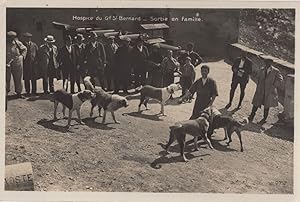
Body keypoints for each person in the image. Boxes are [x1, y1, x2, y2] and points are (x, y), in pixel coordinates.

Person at [248, 58, 283, 124]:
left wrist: (273, 85)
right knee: (255, 104)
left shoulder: (275, 71)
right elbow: (257, 77)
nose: (267, 64)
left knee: (266, 106)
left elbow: (280, 79)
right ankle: (251, 116)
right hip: (260, 90)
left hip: (268, 91)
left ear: (271, 63)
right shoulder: (262, 69)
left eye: (268, 63)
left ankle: (264, 119)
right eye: (266, 62)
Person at [6, 31, 27, 99]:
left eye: (12, 37)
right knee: (6, 78)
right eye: (9, 37)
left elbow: (24, 49)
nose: (11, 39)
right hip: (7, 62)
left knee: (18, 78)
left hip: (17, 62)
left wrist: (22, 56)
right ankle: (6, 92)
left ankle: (19, 93)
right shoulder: (3, 42)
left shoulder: (17, 43)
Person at [22, 32, 39, 96]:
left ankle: (34, 91)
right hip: (25, 64)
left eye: (29, 37)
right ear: (24, 38)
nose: (28, 39)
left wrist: (36, 61)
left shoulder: (34, 45)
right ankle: (28, 91)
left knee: (34, 78)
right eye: (27, 37)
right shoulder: (22, 45)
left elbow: (37, 54)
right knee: (26, 78)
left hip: (33, 64)